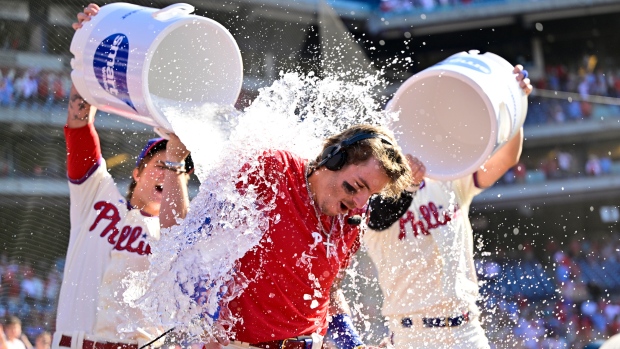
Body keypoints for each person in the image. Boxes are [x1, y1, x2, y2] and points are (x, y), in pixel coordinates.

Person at [164, 125, 413, 349]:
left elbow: (329, 289)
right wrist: (205, 317)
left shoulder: (353, 216)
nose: (360, 201)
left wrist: (351, 342)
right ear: (334, 159)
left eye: (370, 194)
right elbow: (185, 239)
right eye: (357, 186)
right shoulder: (272, 169)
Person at [52, 4, 193, 349]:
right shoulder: (95, 194)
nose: (168, 173)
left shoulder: (178, 232)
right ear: (137, 171)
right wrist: (92, 41)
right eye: (160, 164)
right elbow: (79, 125)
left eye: (177, 171)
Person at [362, 66, 532, 348]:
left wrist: (514, 105)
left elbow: (505, 160)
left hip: (466, 330)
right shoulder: (370, 197)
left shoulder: (446, 175)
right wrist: (406, 185)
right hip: (411, 334)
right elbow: (376, 218)